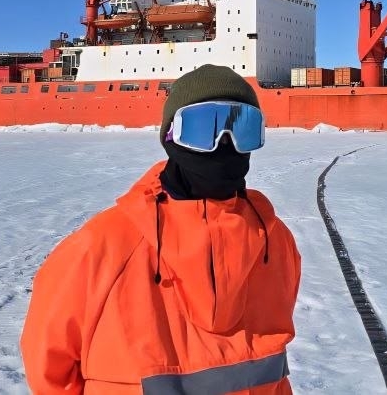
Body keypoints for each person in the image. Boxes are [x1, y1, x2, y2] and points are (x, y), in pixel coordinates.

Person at [21, 64, 301, 394]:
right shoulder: (101, 248)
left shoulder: (274, 241)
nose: (225, 144)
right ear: (170, 137)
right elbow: (48, 367)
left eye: (244, 128)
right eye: (201, 128)